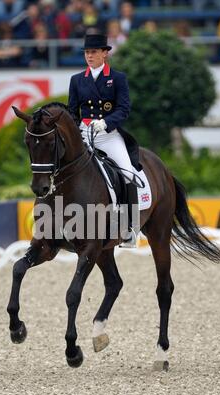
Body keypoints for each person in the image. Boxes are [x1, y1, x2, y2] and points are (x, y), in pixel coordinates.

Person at [68, 33, 139, 247]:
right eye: (87, 52)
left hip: (108, 135)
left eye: (94, 52)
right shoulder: (77, 80)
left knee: (128, 173)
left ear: (104, 53)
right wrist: (77, 129)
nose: (89, 56)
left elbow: (124, 109)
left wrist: (106, 123)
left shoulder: (117, 78)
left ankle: (128, 227)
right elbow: (72, 111)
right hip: (84, 134)